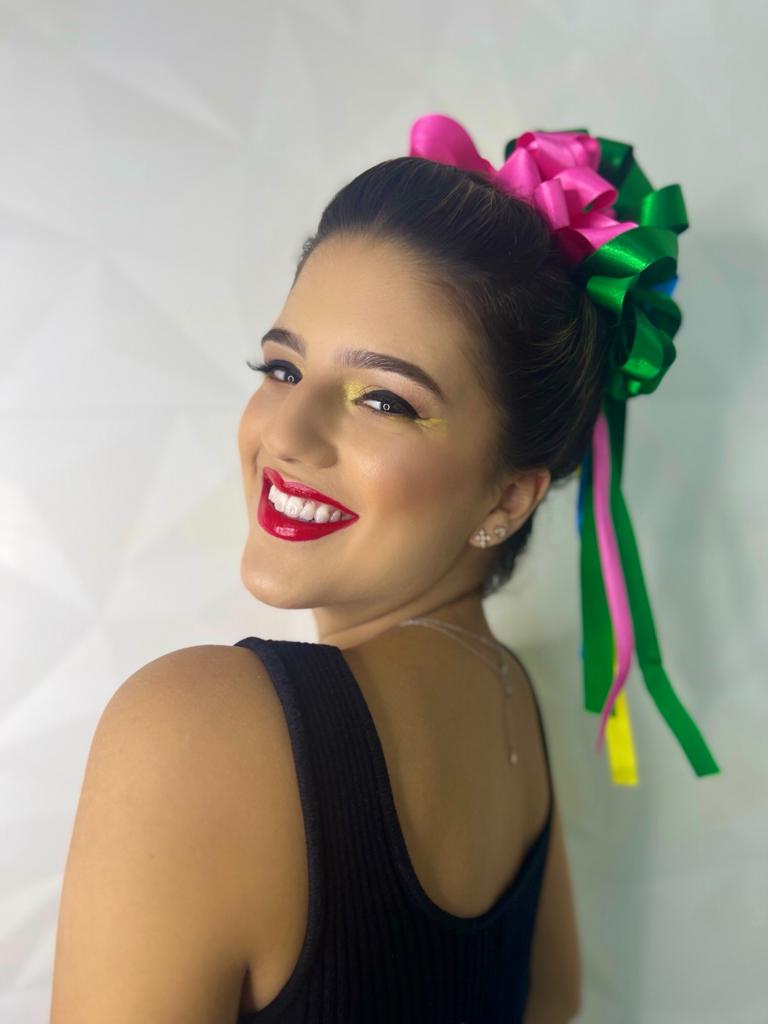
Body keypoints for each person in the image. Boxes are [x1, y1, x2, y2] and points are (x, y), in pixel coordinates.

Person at [53, 117, 708, 1023]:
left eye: (385, 400)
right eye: (283, 368)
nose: (287, 435)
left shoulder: (196, 725)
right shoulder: (509, 695)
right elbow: (551, 1001)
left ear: (508, 497)